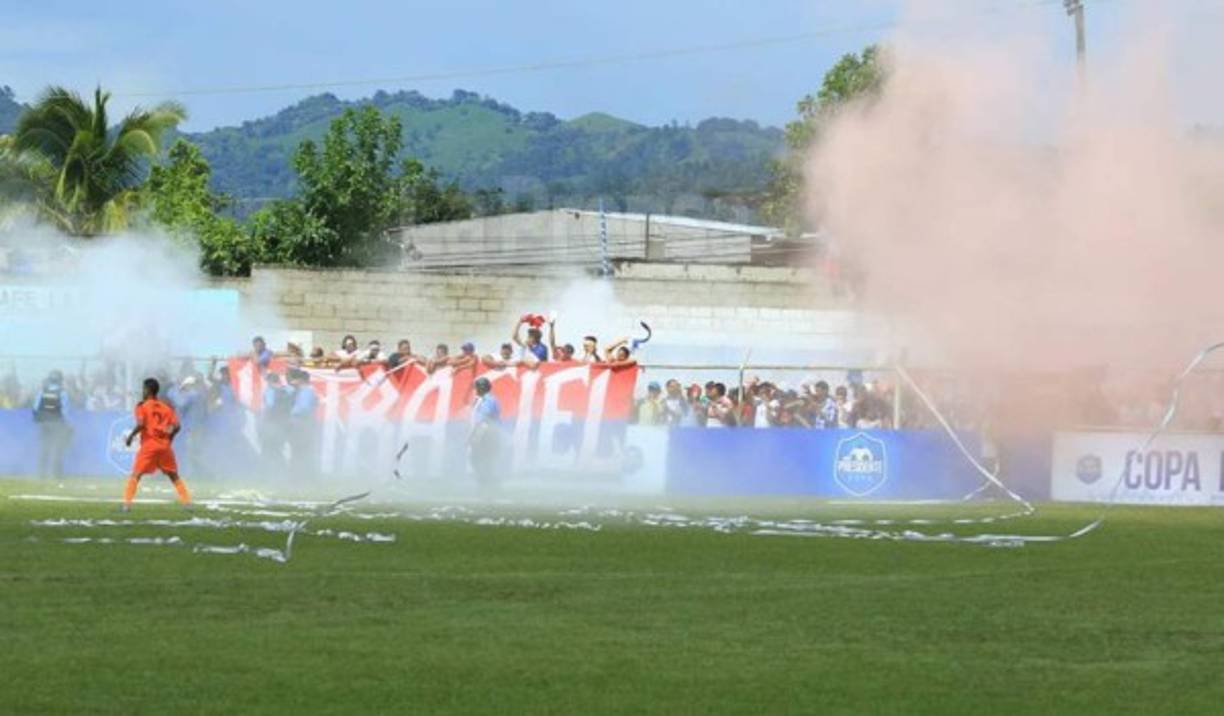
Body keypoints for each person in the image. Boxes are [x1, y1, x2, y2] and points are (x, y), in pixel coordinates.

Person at [122, 378, 192, 511]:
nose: (142, 391)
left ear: (147, 390)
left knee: (136, 475)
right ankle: (187, 502)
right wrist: (170, 438)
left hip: (149, 445)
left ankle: (126, 504)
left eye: (143, 389)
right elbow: (177, 426)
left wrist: (131, 436)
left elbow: (141, 424)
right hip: (164, 445)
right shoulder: (166, 407)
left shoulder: (142, 406)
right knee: (174, 475)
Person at [32, 370, 71, 479]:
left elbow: (35, 407)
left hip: (44, 423)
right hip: (57, 423)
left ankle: (41, 473)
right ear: (60, 380)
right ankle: (56, 474)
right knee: (58, 449)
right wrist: (67, 424)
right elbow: (65, 411)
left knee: (45, 448)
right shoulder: (62, 393)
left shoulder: (42, 392)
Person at [468, 377, 502, 489]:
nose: (475, 390)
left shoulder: (488, 400)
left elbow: (484, 418)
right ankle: (485, 482)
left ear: (481, 388)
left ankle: (486, 483)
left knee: (481, 458)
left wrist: (473, 435)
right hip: (484, 431)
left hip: (486, 432)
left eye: (476, 387)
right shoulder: (481, 400)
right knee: (479, 459)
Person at [286, 368, 320, 478]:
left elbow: (304, 409)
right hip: (299, 424)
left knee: (300, 451)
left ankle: (301, 477)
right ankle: (299, 476)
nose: (291, 382)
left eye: (293, 380)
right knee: (297, 451)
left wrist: (291, 412)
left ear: (300, 380)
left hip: (302, 424)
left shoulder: (307, 391)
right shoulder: (299, 391)